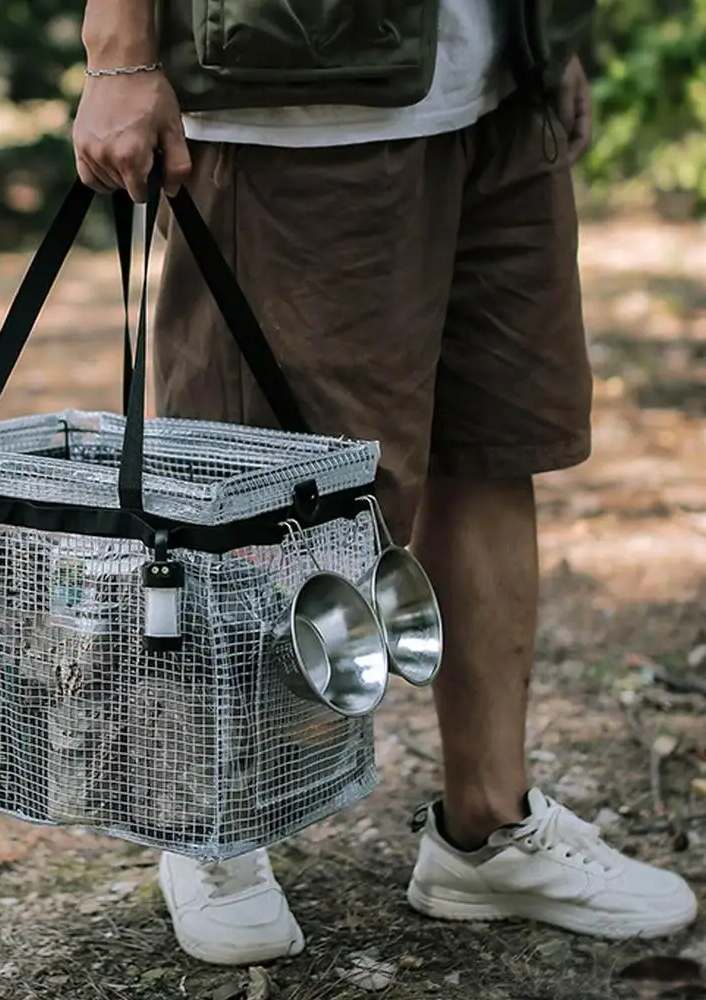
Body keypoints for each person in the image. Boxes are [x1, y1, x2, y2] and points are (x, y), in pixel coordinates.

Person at [71, 0, 700, 966]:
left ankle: (487, 829)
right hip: (295, 104)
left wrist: (543, 36)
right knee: (259, 493)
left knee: (490, 448)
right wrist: (119, 54)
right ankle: (212, 827)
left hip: (496, 85)